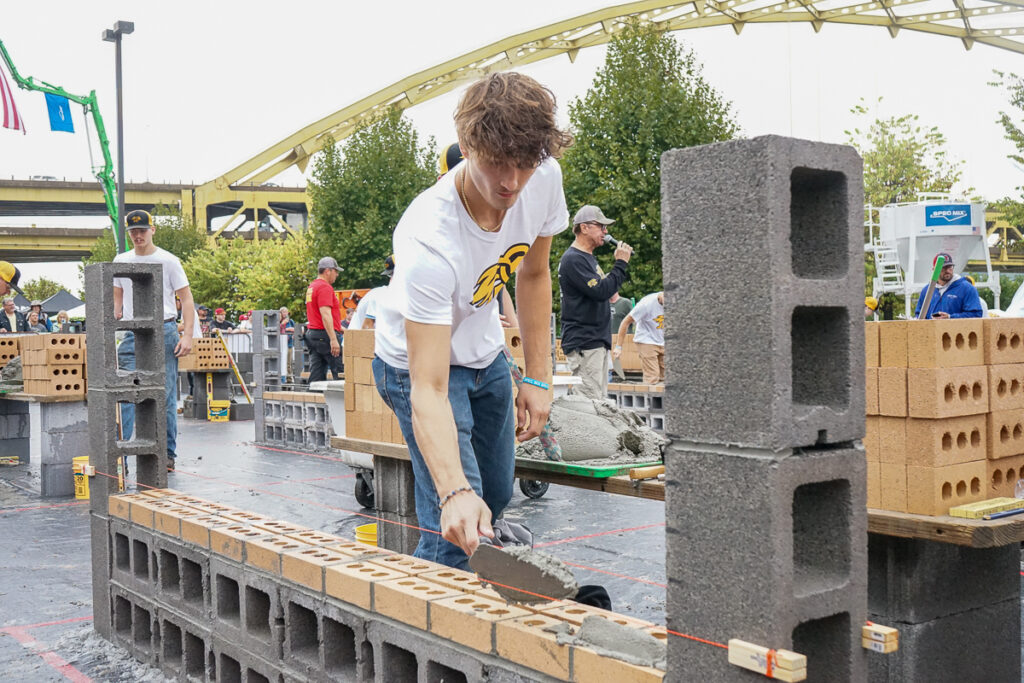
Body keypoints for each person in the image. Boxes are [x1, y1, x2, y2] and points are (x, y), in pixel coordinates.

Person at [372, 71, 571, 568]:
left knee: (497, 496)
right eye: (496, 163)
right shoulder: (428, 239)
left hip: (486, 357)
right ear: (466, 145)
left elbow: (534, 273)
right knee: (460, 516)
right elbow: (429, 388)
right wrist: (454, 489)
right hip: (416, 370)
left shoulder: (542, 180)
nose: (510, 182)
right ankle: (426, 634)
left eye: (523, 165)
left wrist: (538, 377)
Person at [113, 209, 195, 472]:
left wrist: (188, 335)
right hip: (131, 331)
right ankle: (121, 456)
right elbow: (115, 298)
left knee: (166, 394)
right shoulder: (121, 260)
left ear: (152, 230)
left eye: (142, 231)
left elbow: (187, 299)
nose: (138, 236)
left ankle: (166, 454)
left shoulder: (168, 261)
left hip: (164, 329)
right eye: (133, 232)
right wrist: (112, 321)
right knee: (124, 394)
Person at [558, 205, 632, 400]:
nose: (605, 232)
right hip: (585, 342)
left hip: (594, 341)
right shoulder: (574, 259)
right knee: (589, 404)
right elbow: (601, 291)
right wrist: (621, 264)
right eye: (601, 226)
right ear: (584, 228)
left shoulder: (587, 258)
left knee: (598, 402)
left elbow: (602, 289)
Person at [304, 256, 343, 382]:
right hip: (325, 336)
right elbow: (325, 314)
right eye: (335, 271)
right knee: (341, 374)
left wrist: (339, 327)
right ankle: (343, 401)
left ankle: (313, 399)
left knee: (316, 376)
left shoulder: (312, 287)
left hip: (313, 334)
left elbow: (316, 315)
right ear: (328, 271)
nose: (336, 275)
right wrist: (333, 339)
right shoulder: (325, 287)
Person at [614, 291, 665, 384]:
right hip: (646, 340)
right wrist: (618, 347)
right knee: (653, 376)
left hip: (662, 340)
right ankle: (649, 395)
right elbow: (625, 322)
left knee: (665, 376)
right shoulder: (646, 304)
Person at [913, 252, 983, 319]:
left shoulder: (967, 288)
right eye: (943, 268)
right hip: (932, 330)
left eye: (950, 267)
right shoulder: (927, 290)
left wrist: (950, 317)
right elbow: (919, 315)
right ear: (934, 270)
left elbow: (976, 315)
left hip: (956, 331)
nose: (948, 271)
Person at [350, 256, 395, 331]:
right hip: (357, 340)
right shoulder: (381, 295)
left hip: (356, 338)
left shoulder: (384, 293)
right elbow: (367, 328)